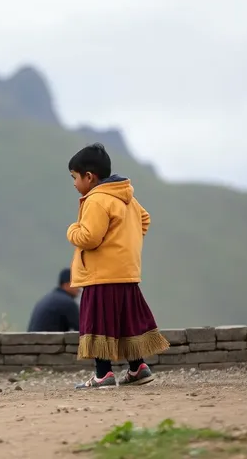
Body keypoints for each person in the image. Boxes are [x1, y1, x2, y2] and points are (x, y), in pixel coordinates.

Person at [66, 143, 170, 389]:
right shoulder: (126, 197)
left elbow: (89, 237)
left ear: (89, 177)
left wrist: (72, 231)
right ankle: (138, 368)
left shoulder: (96, 200)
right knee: (126, 321)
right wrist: (125, 241)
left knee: (99, 323)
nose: (73, 183)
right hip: (126, 272)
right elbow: (144, 219)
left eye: (74, 177)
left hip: (100, 275)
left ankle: (103, 375)